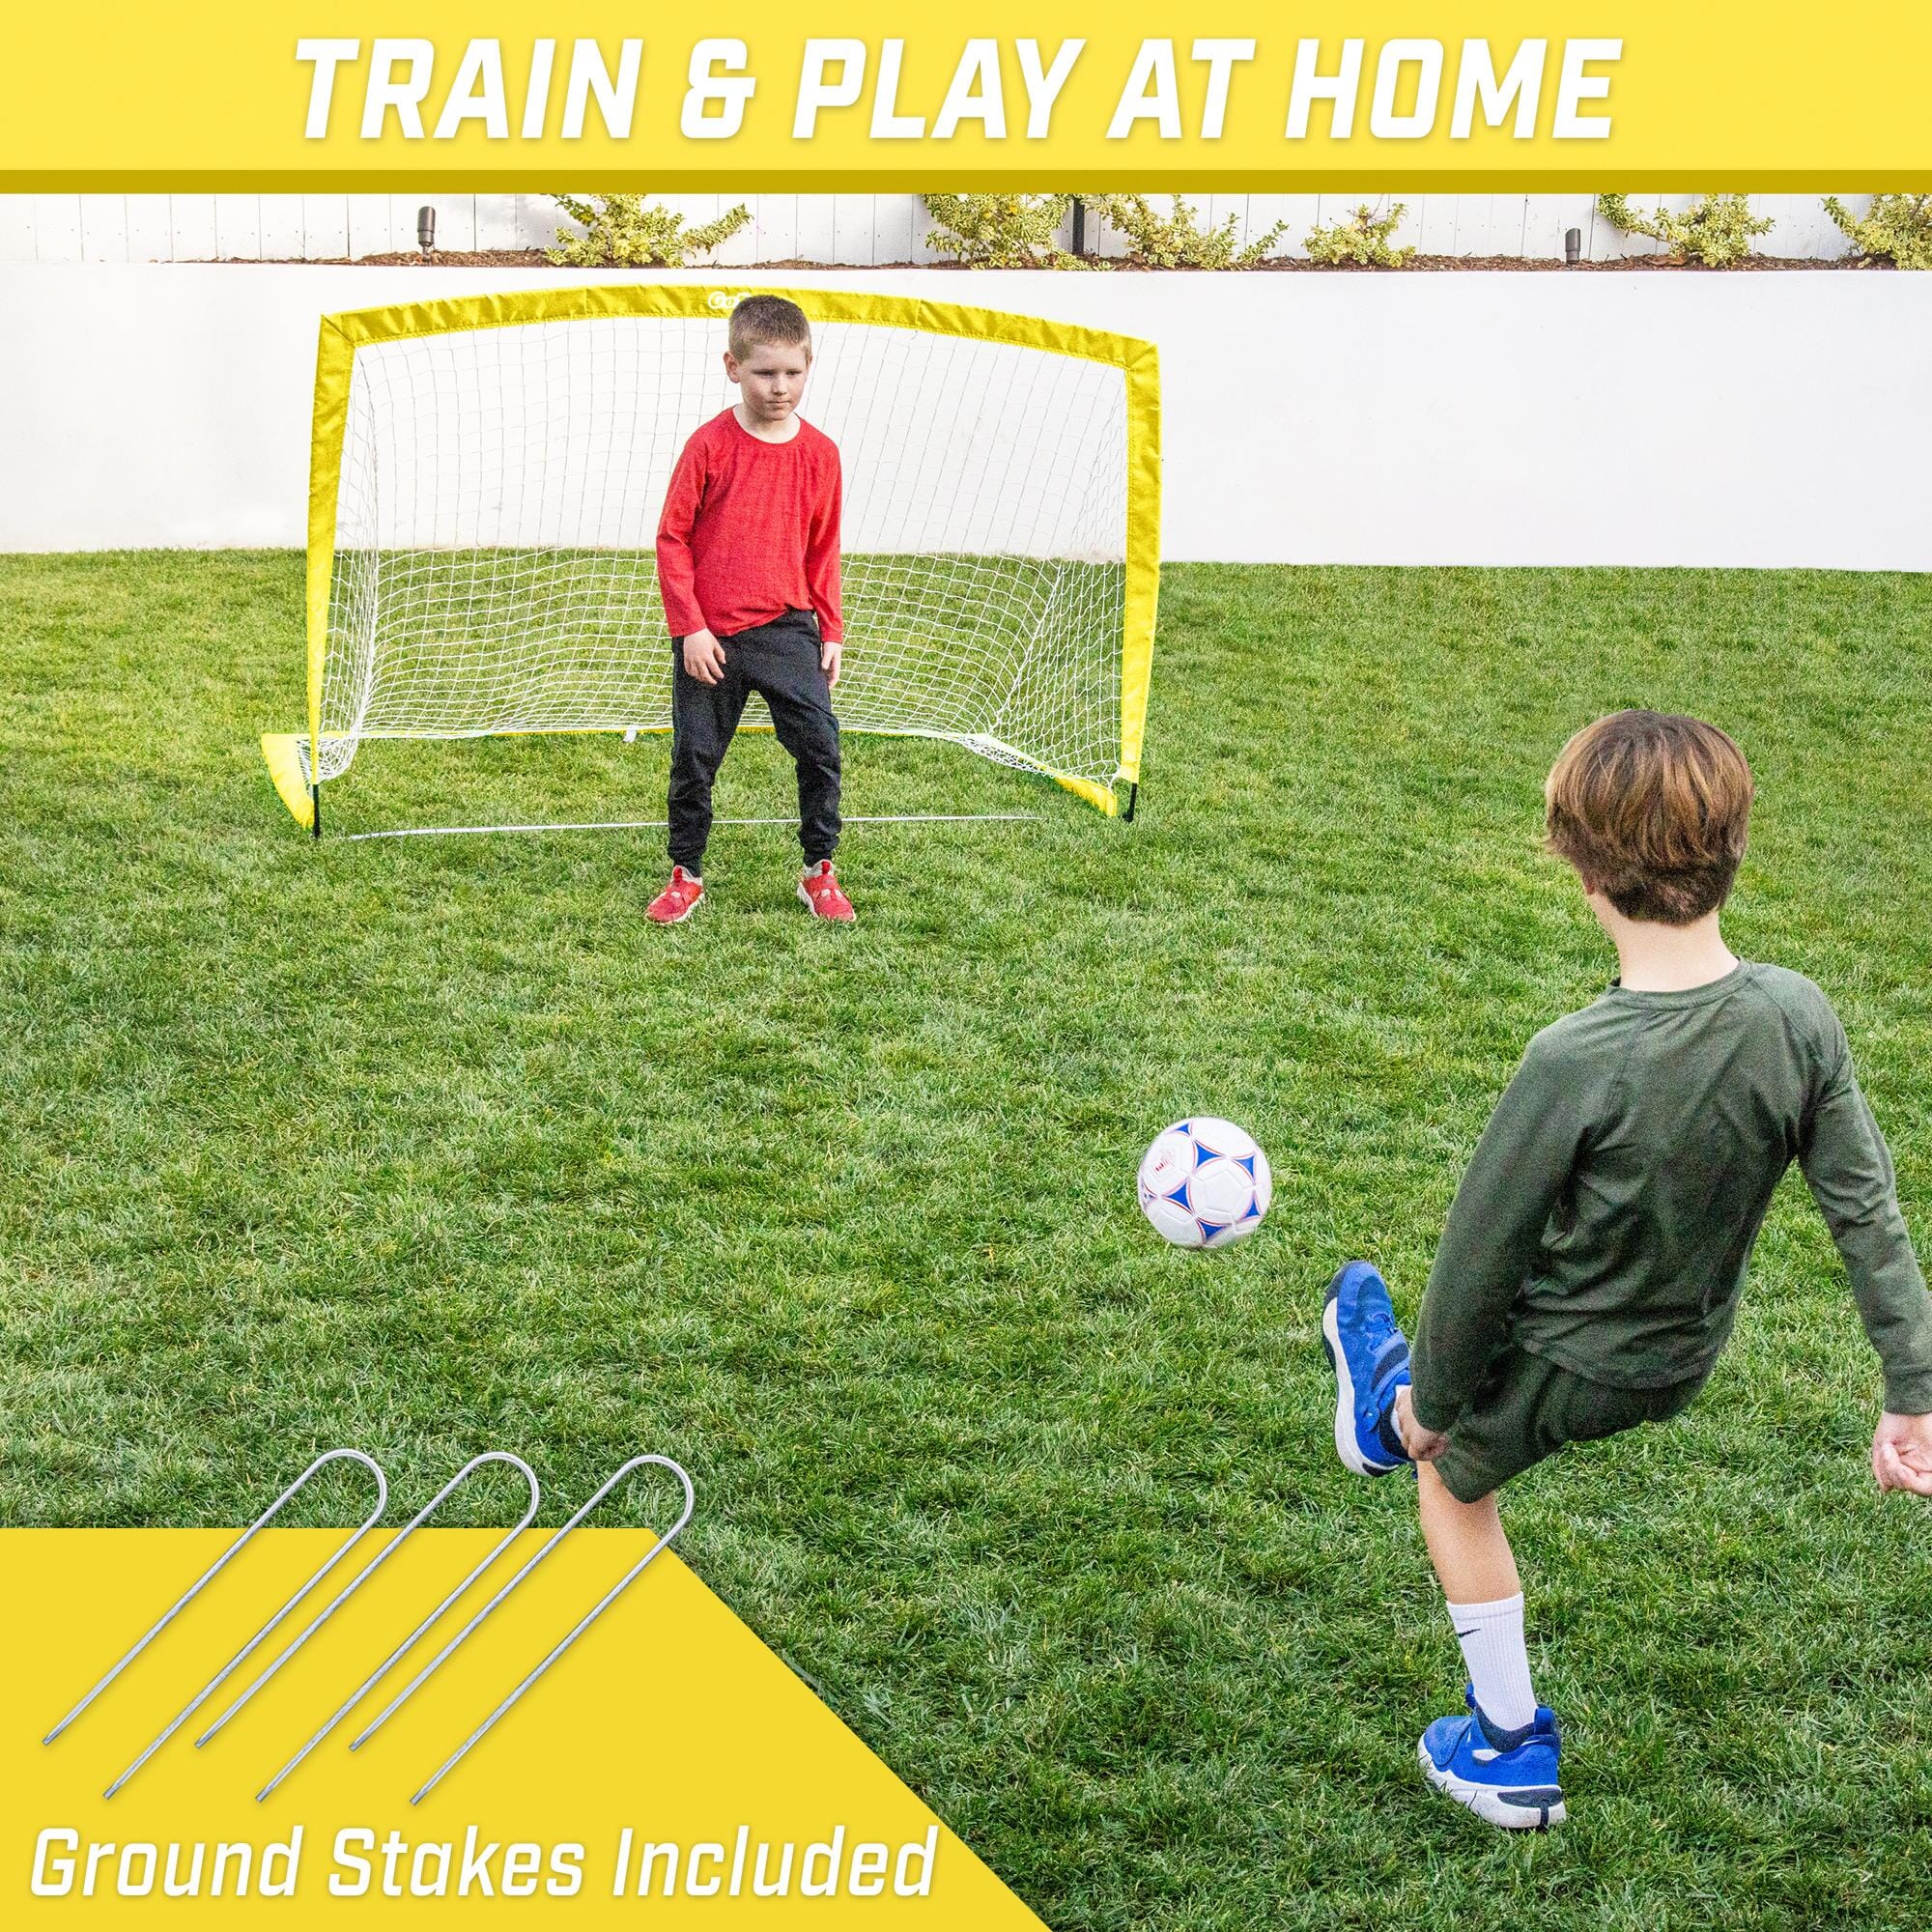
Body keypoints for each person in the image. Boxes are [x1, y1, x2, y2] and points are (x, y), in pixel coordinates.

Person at [1321, 709, 1932, 1831]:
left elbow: (1475, 1263)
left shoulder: (1572, 1059)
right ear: (1735, 845)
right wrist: (1913, 1394)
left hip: (1567, 1358)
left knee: (1447, 1478)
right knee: (1428, 1392)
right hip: (1678, 1358)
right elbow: (1866, 1215)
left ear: (1578, 866)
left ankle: (1503, 1746)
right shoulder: (1796, 1014)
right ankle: (1383, 1394)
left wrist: (1438, 1409)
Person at [647, 294, 853, 924]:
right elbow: (672, 539)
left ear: (808, 366)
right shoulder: (709, 446)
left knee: (821, 746)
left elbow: (823, 547)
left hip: (789, 629)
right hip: (712, 637)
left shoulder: (821, 454)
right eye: (765, 372)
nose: (780, 386)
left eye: (793, 372)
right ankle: (687, 872)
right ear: (733, 367)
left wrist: (832, 627)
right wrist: (691, 628)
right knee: (694, 758)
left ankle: (819, 870)